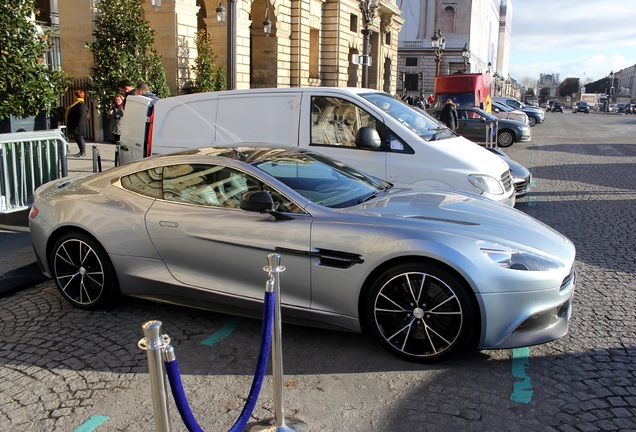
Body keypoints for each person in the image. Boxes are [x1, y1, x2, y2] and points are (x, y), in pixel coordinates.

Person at [65, 90, 88, 157]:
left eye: (75, 95)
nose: (74, 96)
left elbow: (81, 114)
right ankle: (81, 151)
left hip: (79, 125)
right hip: (75, 124)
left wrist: (79, 124)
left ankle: (83, 151)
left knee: (80, 137)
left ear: (77, 95)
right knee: (77, 137)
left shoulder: (81, 104)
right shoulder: (76, 103)